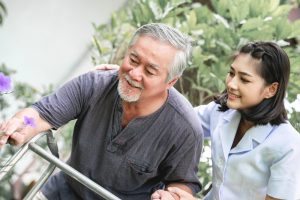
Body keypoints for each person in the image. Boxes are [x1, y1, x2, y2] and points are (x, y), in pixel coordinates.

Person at [0, 23, 203, 199]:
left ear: (171, 82)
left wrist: (172, 194)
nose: (134, 73)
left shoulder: (185, 129)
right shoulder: (95, 85)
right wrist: (21, 126)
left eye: (150, 71)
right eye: (133, 60)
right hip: (63, 191)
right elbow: (41, 115)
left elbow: (182, 183)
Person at [96, 41, 300, 200]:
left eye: (244, 79)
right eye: (231, 73)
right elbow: (173, 119)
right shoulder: (222, 112)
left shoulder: (288, 146)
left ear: (271, 89)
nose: (231, 84)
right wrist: (129, 78)